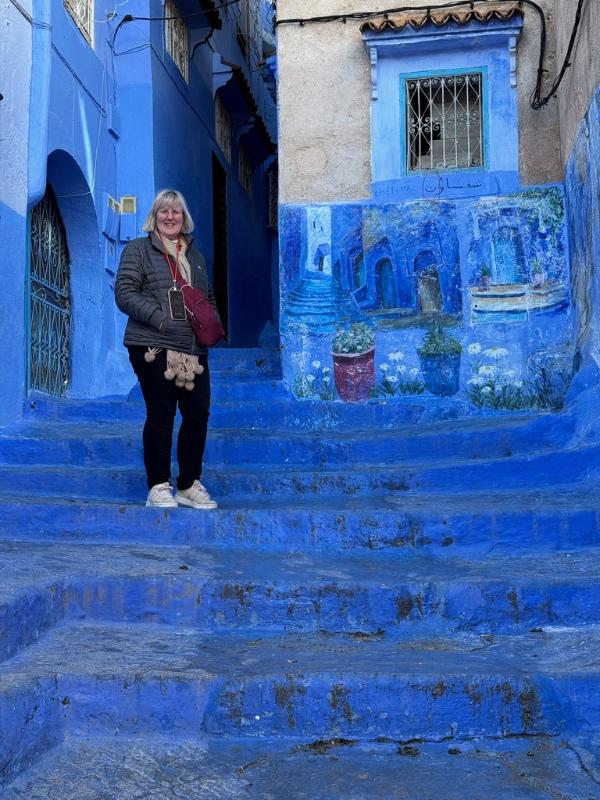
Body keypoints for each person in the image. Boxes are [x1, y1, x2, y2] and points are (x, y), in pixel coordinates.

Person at [115, 189, 220, 509]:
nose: (170, 216)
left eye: (176, 211)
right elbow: (124, 292)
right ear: (155, 216)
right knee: (161, 413)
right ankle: (158, 485)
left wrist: (210, 324)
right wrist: (159, 319)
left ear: (184, 217)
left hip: (192, 350)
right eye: (164, 211)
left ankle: (188, 484)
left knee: (198, 413)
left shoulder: (196, 257)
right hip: (153, 345)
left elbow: (207, 298)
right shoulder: (139, 250)